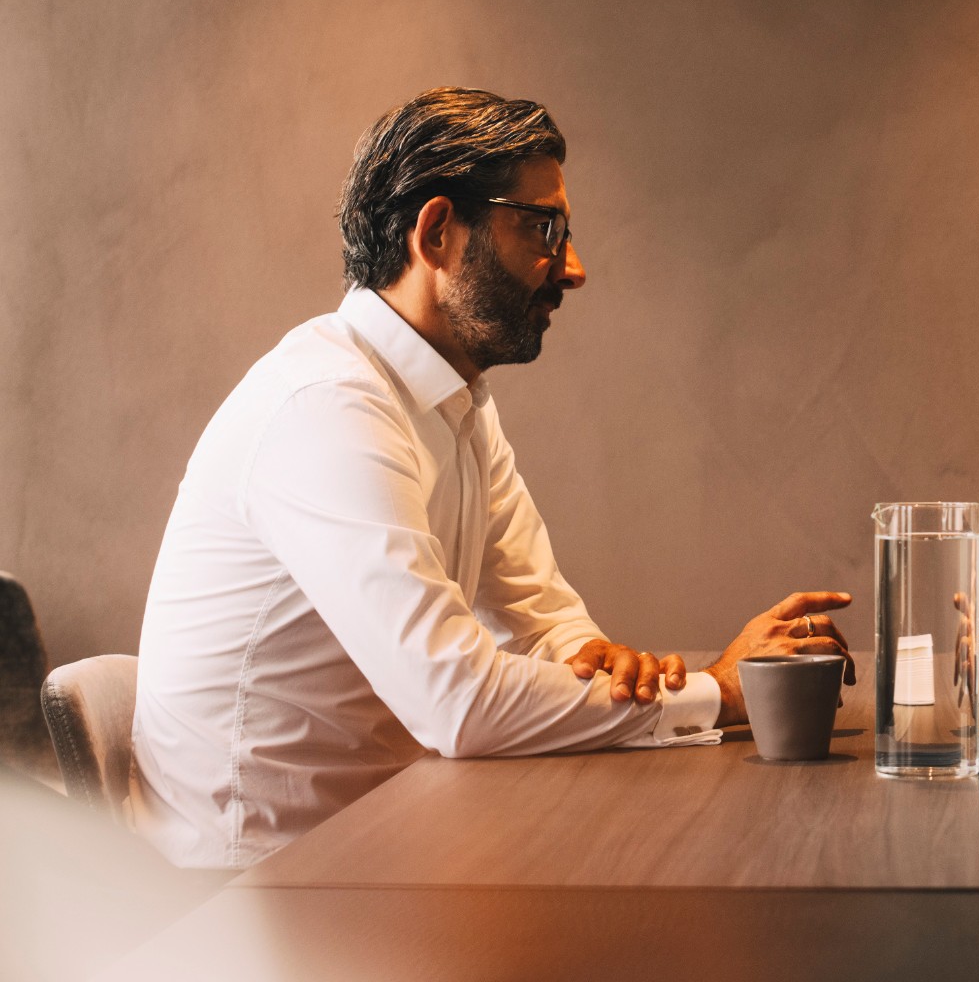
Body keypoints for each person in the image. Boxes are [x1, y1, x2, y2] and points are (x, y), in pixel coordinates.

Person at [131, 87, 854, 870]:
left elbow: (541, 620)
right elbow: (458, 701)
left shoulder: (458, 400)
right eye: (543, 228)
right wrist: (720, 692)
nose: (572, 269)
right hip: (260, 891)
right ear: (438, 232)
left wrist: (605, 664)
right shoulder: (326, 407)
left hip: (390, 853)